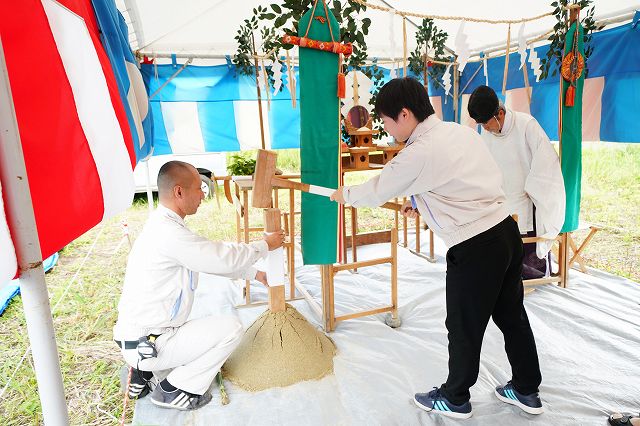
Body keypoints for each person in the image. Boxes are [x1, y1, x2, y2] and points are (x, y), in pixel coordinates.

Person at [330, 77, 543, 419]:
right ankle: (526, 388)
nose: (385, 129)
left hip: (476, 247)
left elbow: (377, 189)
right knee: (511, 315)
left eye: (385, 121)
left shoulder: (419, 151)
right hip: (505, 232)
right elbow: (461, 181)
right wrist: (424, 203)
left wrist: (344, 195)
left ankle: (455, 396)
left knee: (462, 324)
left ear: (403, 114)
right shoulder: (457, 132)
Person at [113, 161, 284, 411]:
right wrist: (264, 245)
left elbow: (205, 260)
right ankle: (176, 390)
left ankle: (143, 372)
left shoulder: (162, 225)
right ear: (179, 192)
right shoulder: (169, 234)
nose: (203, 195)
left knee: (205, 327)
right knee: (231, 328)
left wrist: (255, 274)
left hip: (138, 335)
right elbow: (219, 256)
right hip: (150, 340)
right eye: (199, 188)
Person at [467, 85, 565, 279]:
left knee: (526, 258)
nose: (485, 129)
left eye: (486, 124)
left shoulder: (527, 125)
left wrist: (531, 187)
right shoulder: (487, 133)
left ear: (500, 114)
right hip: (501, 199)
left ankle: (533, 275)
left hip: (526, 197)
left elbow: (547, 162)